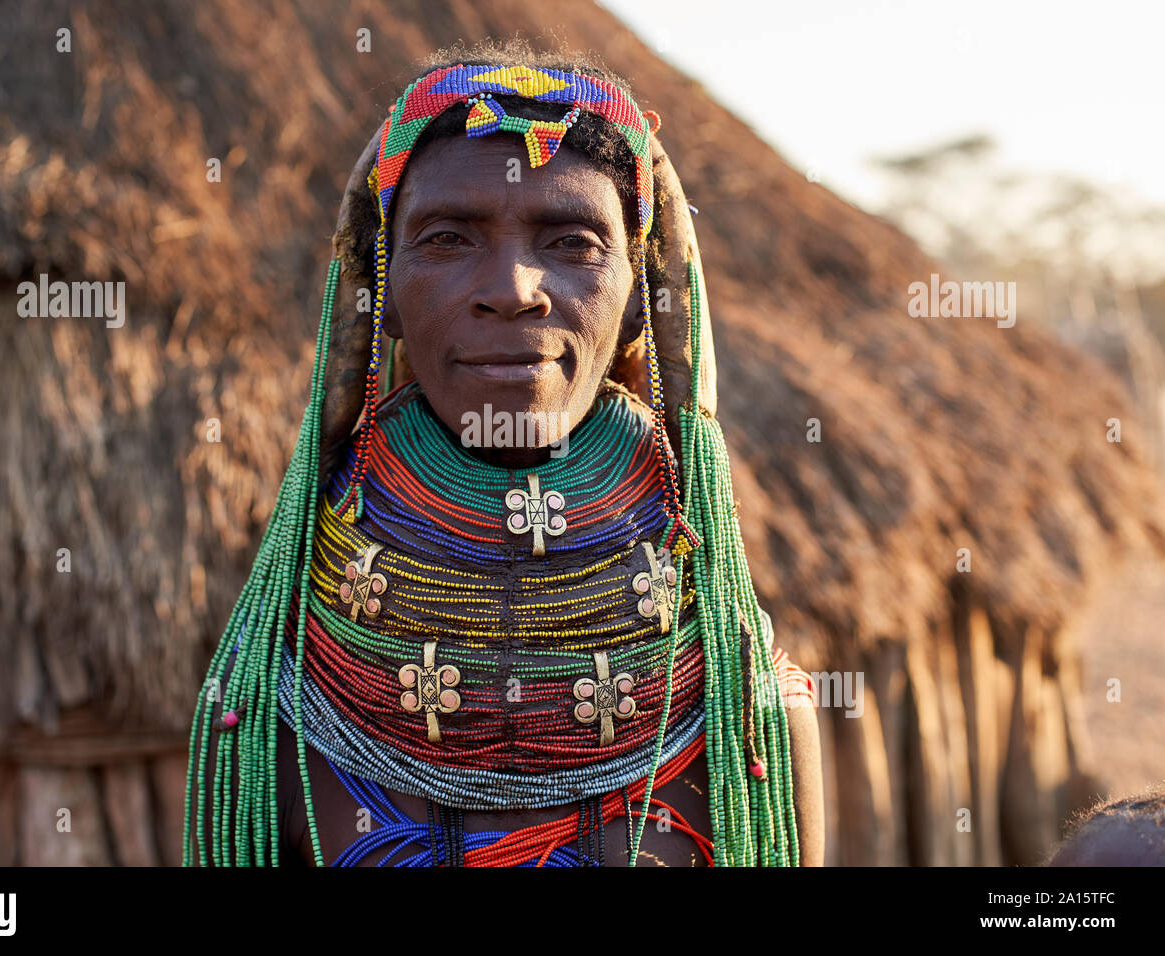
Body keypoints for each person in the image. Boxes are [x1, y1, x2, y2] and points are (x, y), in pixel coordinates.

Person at [185, 42, 824, 867]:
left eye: (573, 242)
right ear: (382, 297)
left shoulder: (747, 720)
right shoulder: (270, 710)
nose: (515, 287)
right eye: (449, 238)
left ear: (639, 298)